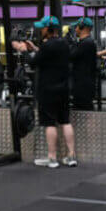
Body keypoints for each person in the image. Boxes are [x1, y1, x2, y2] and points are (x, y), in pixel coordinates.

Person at [14, 16, 75, 168]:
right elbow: (48, 56)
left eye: (42, 28)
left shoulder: (47, 46)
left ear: (48, 29)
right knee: (65, 121)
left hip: (48, 90)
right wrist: (34, 48)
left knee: (50, 124)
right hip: (63, 89)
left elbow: (33, 63)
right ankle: (71, 156)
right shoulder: (64, 44)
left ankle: (52, 158)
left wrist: (24, 51)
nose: (41, 30)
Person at [68, 19, 97, 112]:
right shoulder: (83, 42)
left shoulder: (86, 43)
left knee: (84, 110)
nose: (75, 29)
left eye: (76, 27)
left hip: (84, 86)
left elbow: (70, 56)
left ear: (82, 27)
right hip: (81, 83)